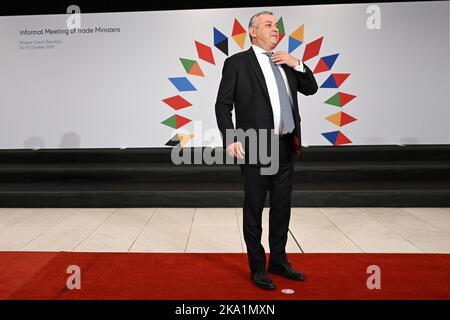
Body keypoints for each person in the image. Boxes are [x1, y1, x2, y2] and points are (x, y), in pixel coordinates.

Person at [215, 11, 318, 290]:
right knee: (255, 208)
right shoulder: (236, 63)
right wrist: (231, 137)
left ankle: (279, 260)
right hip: (255, 146)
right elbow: (223, 105)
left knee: (282, 207)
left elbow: (312, 88)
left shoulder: (286, 63)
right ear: (252, 31)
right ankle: (258, 266)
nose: (276, 29)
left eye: (277, 25)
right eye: (269, 25)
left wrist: (297, 63)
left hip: (285, 145)